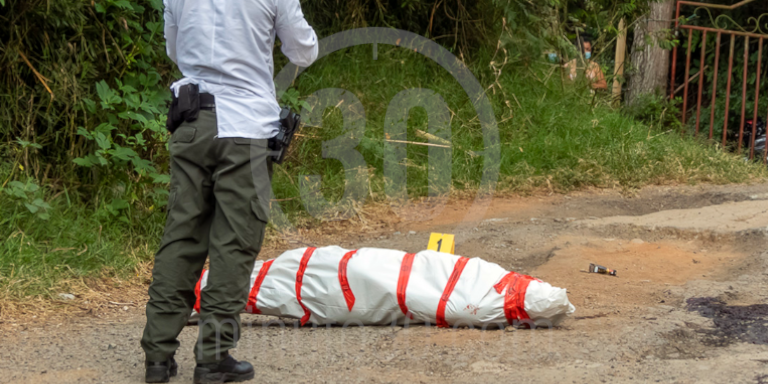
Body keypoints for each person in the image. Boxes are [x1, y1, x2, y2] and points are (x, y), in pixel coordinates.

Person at [141, 1, 318, 383]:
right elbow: (304, 49)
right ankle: (213, 357)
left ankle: (157, 356)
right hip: (247, 127)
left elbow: (174, 49)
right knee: (233, 244)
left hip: (192, 124)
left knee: (181, 236)